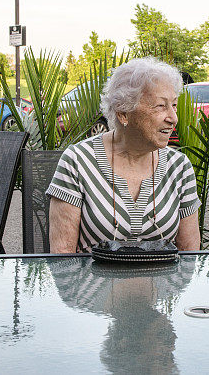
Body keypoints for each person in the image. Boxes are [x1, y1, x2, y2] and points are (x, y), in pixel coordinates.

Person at [47, 57, 200, 253]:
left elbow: (190, 256)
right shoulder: (78, 161)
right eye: (161, 106)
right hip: (92, 283)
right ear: (123, 113)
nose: (173, 118)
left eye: (174, 105)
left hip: (163, 283)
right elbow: (62, 258)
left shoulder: (179, 166)